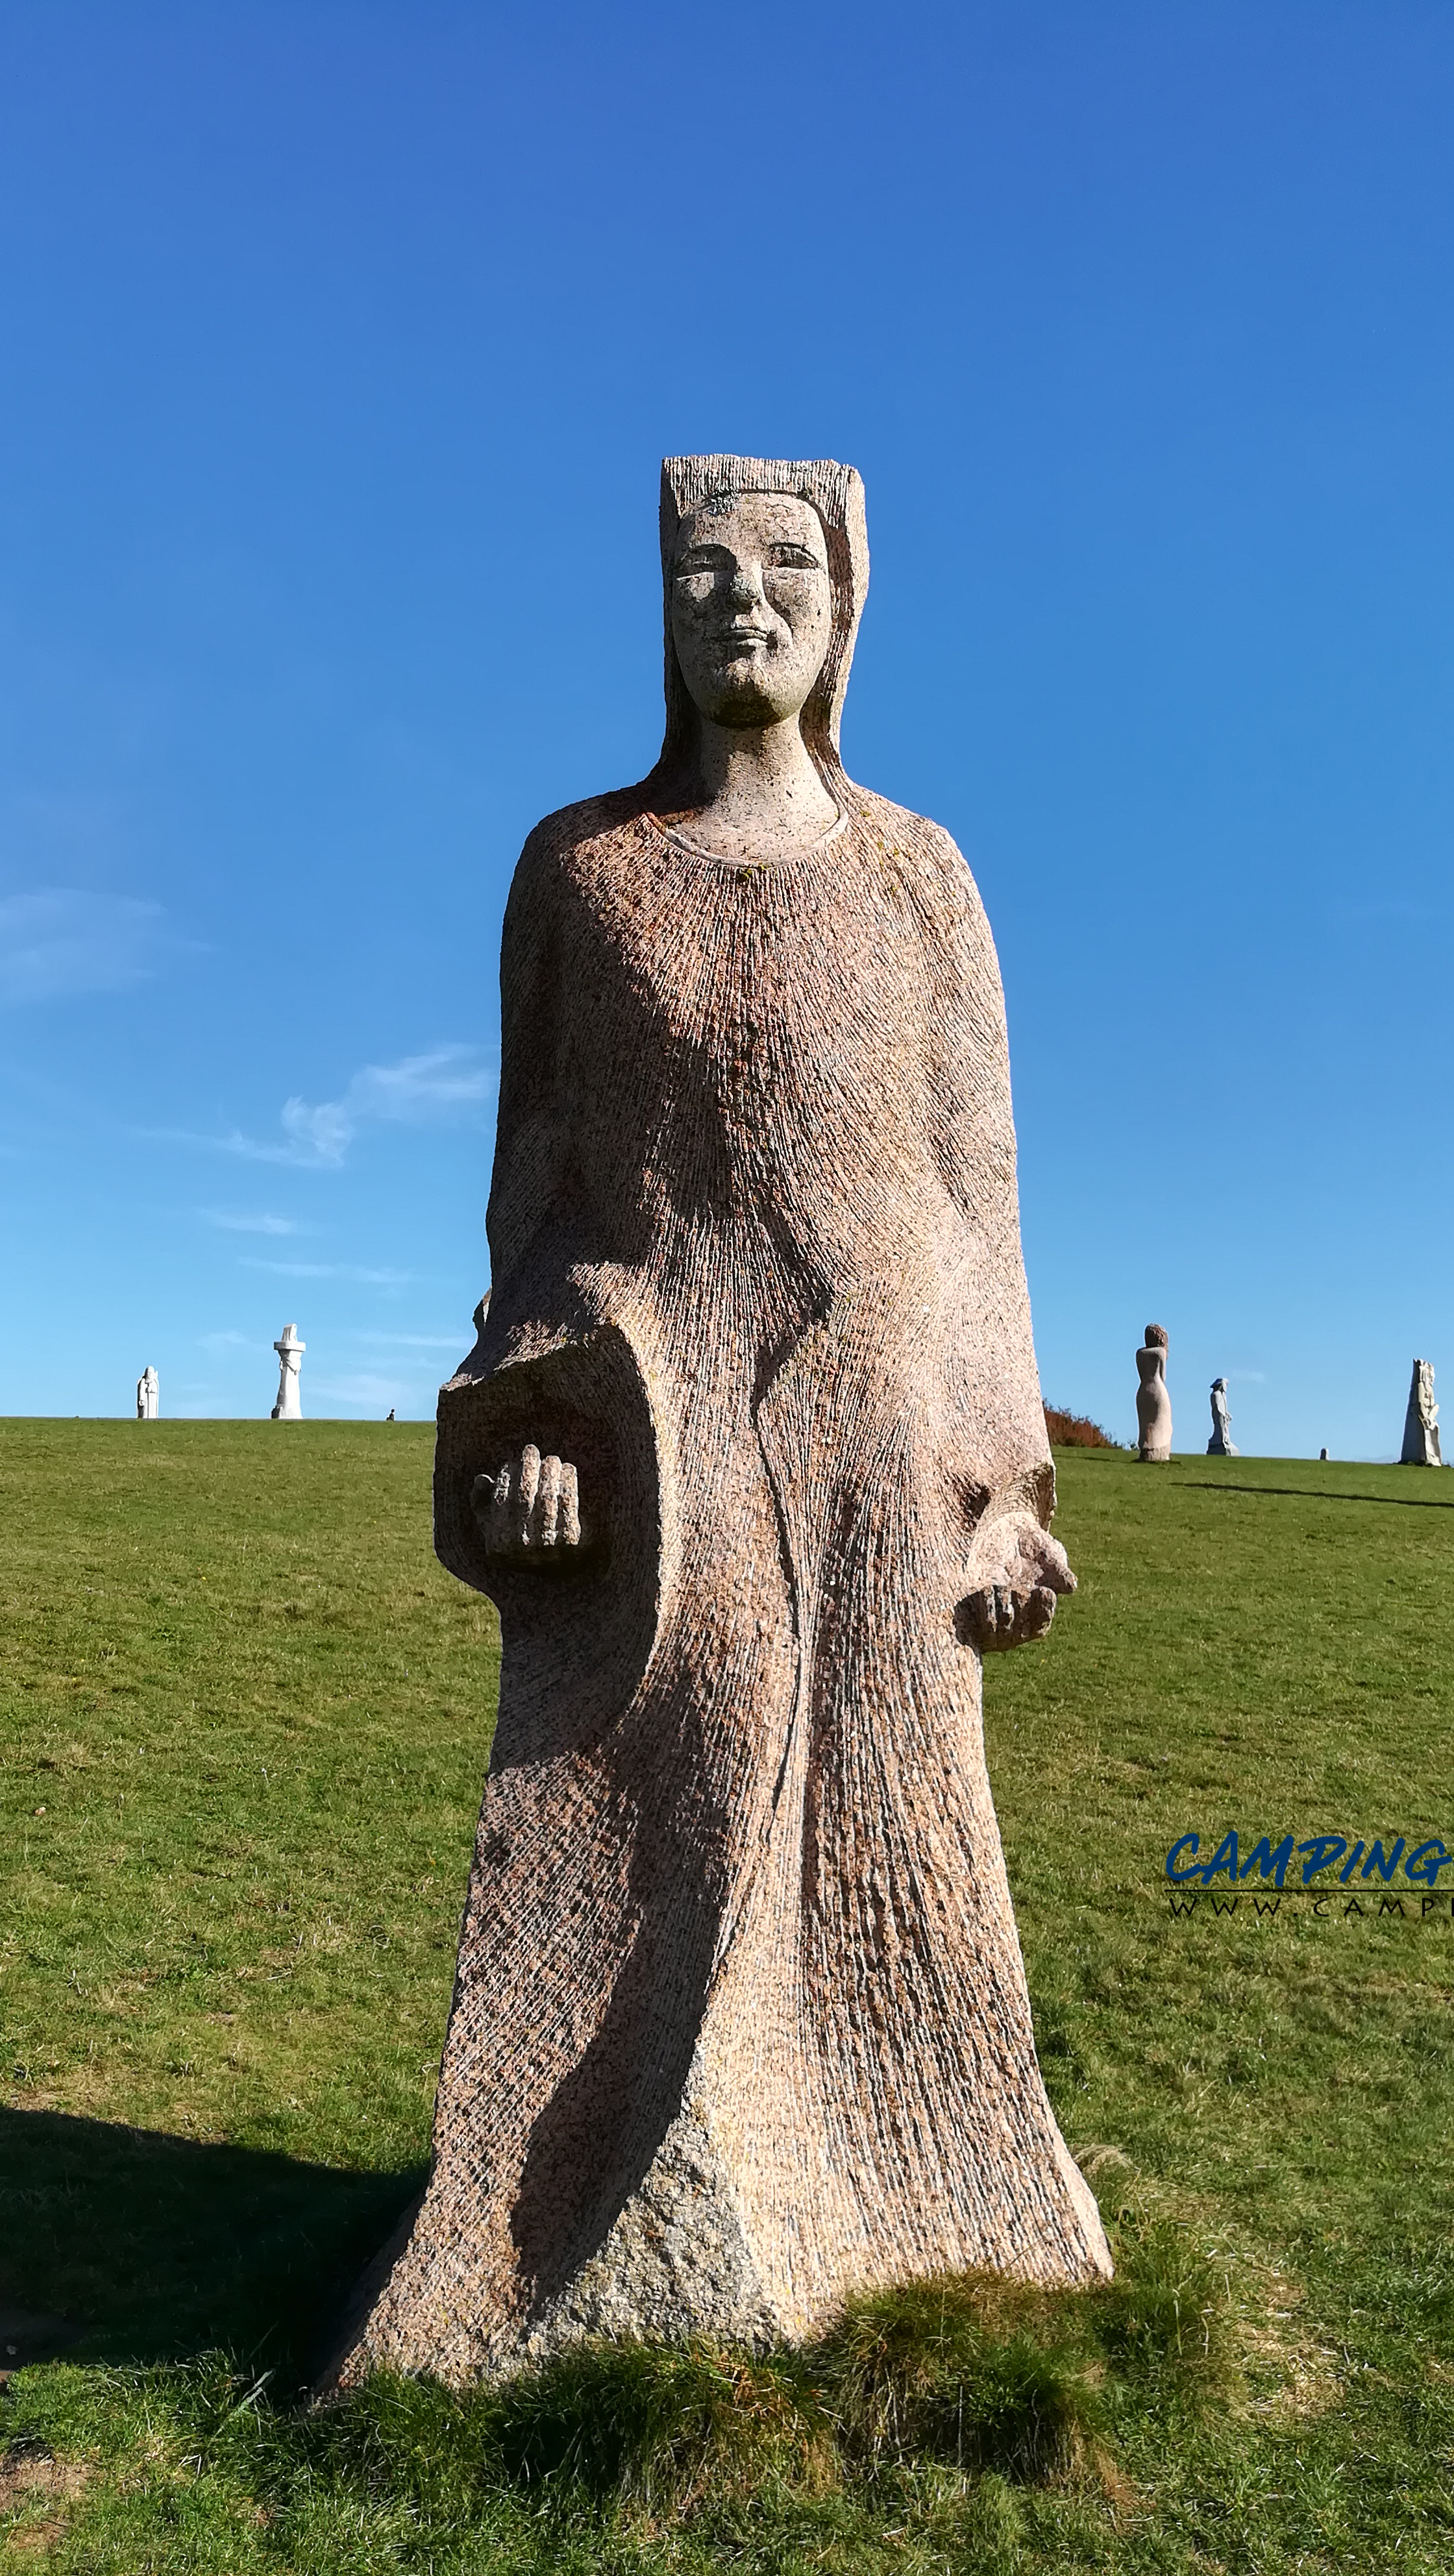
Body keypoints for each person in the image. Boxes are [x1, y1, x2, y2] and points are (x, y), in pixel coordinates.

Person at [330, 455, 1106, 2393]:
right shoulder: (581, 871)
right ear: (658, 611)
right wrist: (523, 1414)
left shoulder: (920, 871)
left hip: (881, 1441)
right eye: (703, 567)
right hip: (664, 1432)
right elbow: (536, 1184)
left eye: (786, 567)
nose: (745, 598)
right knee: (645, 1814)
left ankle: (923, 2224)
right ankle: (586, 2234)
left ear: (848, 612)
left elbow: (977, 1190)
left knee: (894, 1849)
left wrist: (1002, 1489)